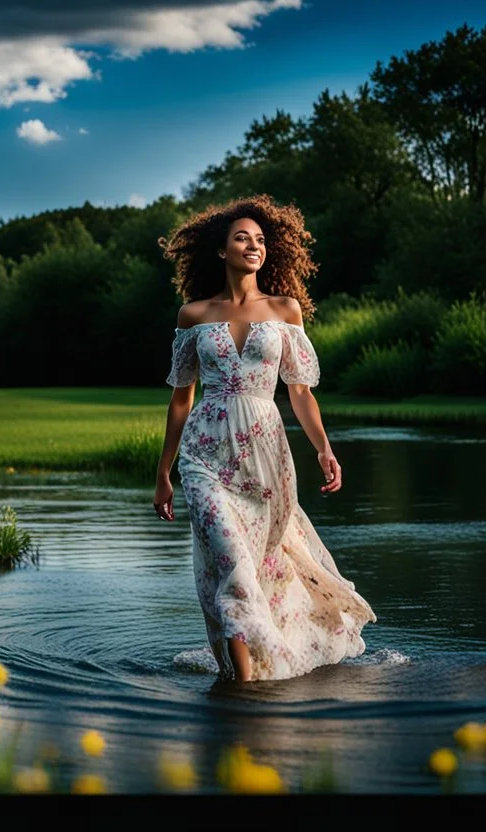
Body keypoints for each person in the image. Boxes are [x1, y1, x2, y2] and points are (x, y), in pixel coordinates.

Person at [154, 194, 376, 683]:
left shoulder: (285, 310)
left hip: (265, 457)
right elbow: (180, 399)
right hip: (204, 455)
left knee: (259, 566)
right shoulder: (193, 315)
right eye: (242, 238)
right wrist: (164, 472)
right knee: (230, 559)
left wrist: (323, 448)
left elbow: (300, 394)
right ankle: (246, 685)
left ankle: (249, 675)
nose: (254, 246)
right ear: (221, 250)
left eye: (260, 240)